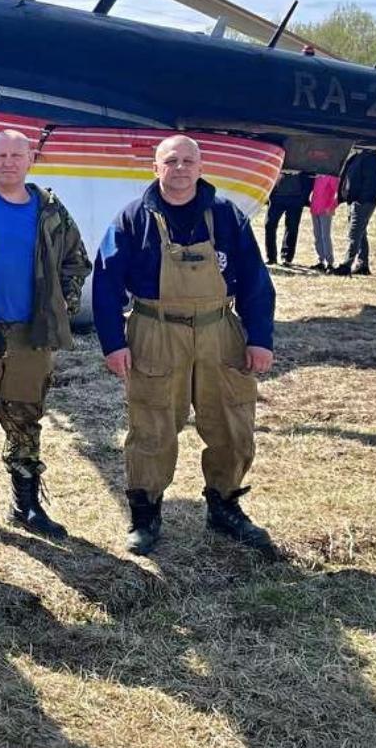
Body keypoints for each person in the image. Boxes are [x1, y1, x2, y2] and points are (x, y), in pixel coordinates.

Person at [92, 135, 277, 557]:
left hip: (219, 331)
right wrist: (113, 343)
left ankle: (225, 505)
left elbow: (255, 280)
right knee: (152, 425)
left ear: (200, 165)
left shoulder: (227, 215)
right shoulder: (132, 218)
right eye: (170, 161)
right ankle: (145, 513)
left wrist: (260, 337)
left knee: (232, 424)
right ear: (155, 168)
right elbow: (105, 283)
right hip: (155, 331)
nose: (179, 168)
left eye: (187, 160)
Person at [0, 129, 90, 537]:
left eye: (16, 155)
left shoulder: (51, 212)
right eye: (1, 155)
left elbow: (77, 262)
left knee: (26, 416)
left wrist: (62, 308)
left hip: (32, 333)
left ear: (30, 161)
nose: (9, 162)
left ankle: (25, 506)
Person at [334, 149, 376, 276]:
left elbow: (372, 182)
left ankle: (346, 265)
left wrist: (362, 199)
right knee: (361, 232)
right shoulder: (355, 156)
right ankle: (363, 264)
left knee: (354, 233)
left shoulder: (371, 158)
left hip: (363, 201)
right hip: (354, 200)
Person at [263, 170, 311, 266]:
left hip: (296, 197)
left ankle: (287, 257)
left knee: (292, 227)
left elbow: (309, 176)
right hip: (276, 197)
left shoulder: (302, 157)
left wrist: (303, 197)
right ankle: (271, 257)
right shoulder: (278, 154)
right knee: (269, 225)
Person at [309, 172, 340, 272]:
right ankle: (321, 260)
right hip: (315, 209)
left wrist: (331, 206)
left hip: (325, 210)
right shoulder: (317, 176)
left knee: (325, 236)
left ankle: (330, 262)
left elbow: (338, 193)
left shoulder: (332, 176)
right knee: (317, 236)